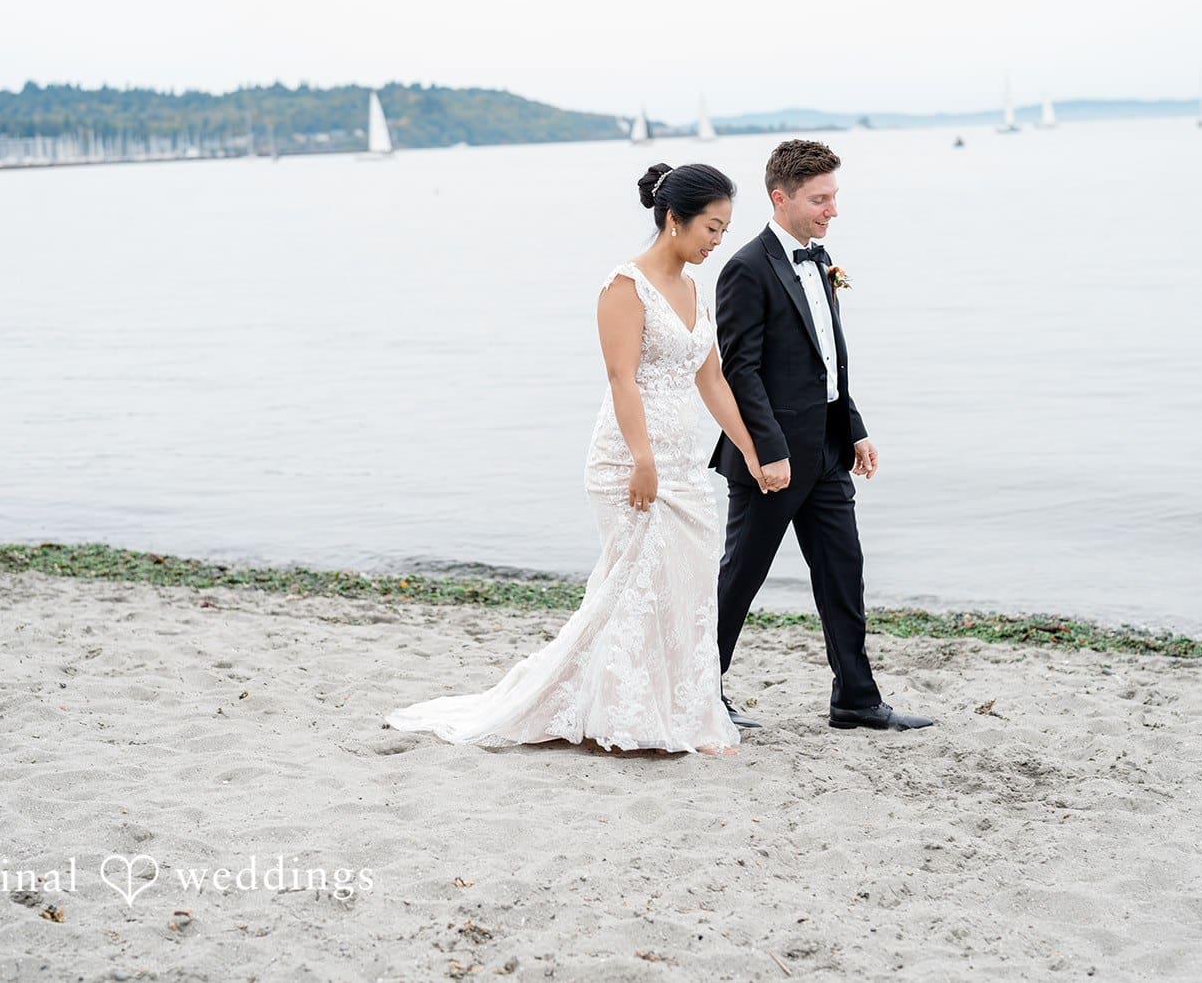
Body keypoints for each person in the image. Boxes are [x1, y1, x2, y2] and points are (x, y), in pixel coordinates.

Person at [385, 162, 772, 755]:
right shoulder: (625, 286)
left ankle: (679, 712)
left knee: (685, 587)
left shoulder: (694, 288)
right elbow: (621, 380)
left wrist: (752, 450)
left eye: (723, 230)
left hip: (686, 462)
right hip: (629, 460)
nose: (717, 242)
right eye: (711, 229)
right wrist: (643, 459)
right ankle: (629, 716)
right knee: (635, 584)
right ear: (674, 220)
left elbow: (712, 377)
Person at [709, 139, 934, 732]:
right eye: (820, 199)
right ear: (781, 198)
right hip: (772, 462)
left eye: (834, 197)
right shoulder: (745, 269)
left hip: (830, 453)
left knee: (843, 572)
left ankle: (855, 700)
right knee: (740, 578)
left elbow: (828, 360)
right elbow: (740, 370)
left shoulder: (820, 257)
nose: (832, 210)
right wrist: (770, 451)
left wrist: (854, 430)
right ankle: (699, 692)